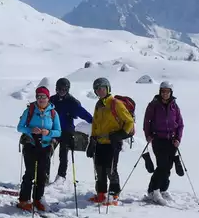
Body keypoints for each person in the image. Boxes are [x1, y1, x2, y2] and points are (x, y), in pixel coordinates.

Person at [87, 77, 134, 205]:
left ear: (107, 89)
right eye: (97, 89)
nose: (100, 91)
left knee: (111, 168)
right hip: (100, 142)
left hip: (113, 142)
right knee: (99, 168)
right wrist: (92, 141)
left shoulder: (115, 103)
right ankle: (101, 194)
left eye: (102, 88)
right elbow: (95, 124)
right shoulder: (98, 105)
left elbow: (129, 121)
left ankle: (113, 195)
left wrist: (121, 134)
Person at [15, 86, 62, 211]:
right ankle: (24, 200)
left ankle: (38, 199)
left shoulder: (53, 113)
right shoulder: (29, 110)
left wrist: (49, 132)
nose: (41, 99)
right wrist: (31, 130)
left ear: (48, 98)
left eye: (44, 97)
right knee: (30, 173)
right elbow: (20, 127)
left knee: (42, 174)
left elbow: (58, 131)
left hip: (45, 146)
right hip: (30, 145)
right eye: (39, 96)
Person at [143, 81, 184, 204]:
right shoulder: (153, 105)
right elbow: (147, 122)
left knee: (168, 167)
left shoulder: (174, 106)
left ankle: (162, 190)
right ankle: (154, 191)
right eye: (163, 91)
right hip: (158, 139)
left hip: (171, 140)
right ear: (160, 92)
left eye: (167, 91)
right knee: (162, 166)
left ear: (171, 93)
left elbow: (180, 124)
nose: (165, 94)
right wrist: (148, 135)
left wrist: (178, 138)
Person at [48, 77, 93, 183]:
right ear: (56, 89)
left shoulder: (72, 102)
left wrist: (93, 121)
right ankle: (44, 175)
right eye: (59, 89)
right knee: (47, 153)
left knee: (63, 154)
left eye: (64, 89)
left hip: (66, 131)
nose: (61, 91)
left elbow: (83, 113)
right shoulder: (52, 100)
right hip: (53, 131)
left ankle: (61, 177)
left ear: (68, 89)